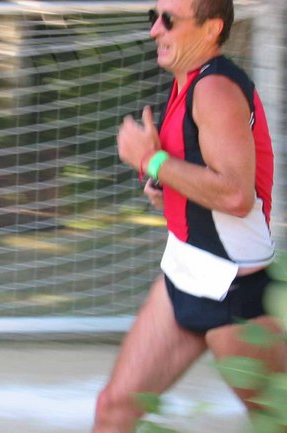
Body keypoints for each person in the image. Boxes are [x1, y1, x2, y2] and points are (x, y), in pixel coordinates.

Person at [93, 0, 287, 432]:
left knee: (276, 421)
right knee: (114, 409)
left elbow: (235, 195)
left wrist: (151, 160)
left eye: (169, 20)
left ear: (211, 29)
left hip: (234, 292)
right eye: (154, 17)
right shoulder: (186, 80)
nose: (155, 30)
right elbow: (204, 182)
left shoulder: (215, 89)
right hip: (184, 273)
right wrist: (165, 186)